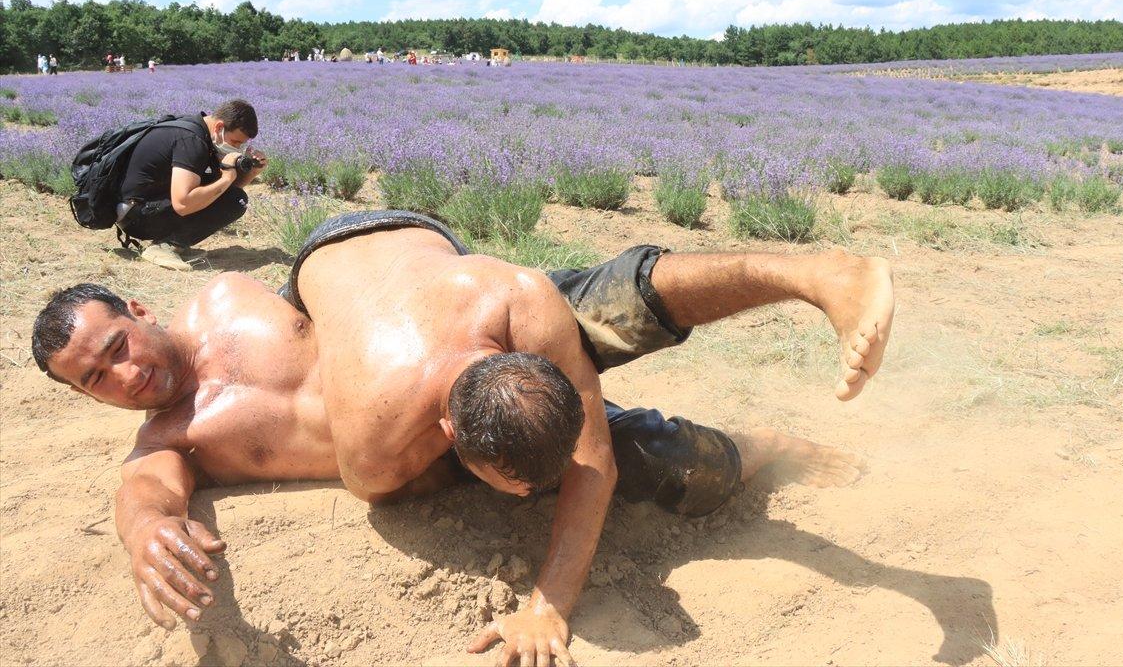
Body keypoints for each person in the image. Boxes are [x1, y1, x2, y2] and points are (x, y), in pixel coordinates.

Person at [31, 210, 892, 664]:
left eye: (116, 348)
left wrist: (550, 600)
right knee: (661, 460)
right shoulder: (175, 439)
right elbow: (144, 488)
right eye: (94, 381)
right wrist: (147, 532)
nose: (125, 376)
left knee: (590, 311)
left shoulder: (222, 300)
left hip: (429, 349)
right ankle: (763, 446)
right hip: (441, 429)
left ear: (138, 311)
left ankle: (814, 274)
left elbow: (367, 287)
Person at [115, 99, 267, 271]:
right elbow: (183, 203)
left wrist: (251, 172)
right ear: (218, 127)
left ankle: (172, 243)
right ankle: (164, 247)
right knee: (235, 200)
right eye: (235, 142)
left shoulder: (198, 130)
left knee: (230, 196)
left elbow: (225, 192)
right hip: (137, 217)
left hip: (137, 208)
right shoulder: (192, 141)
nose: (237, 148)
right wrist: (226, 178)